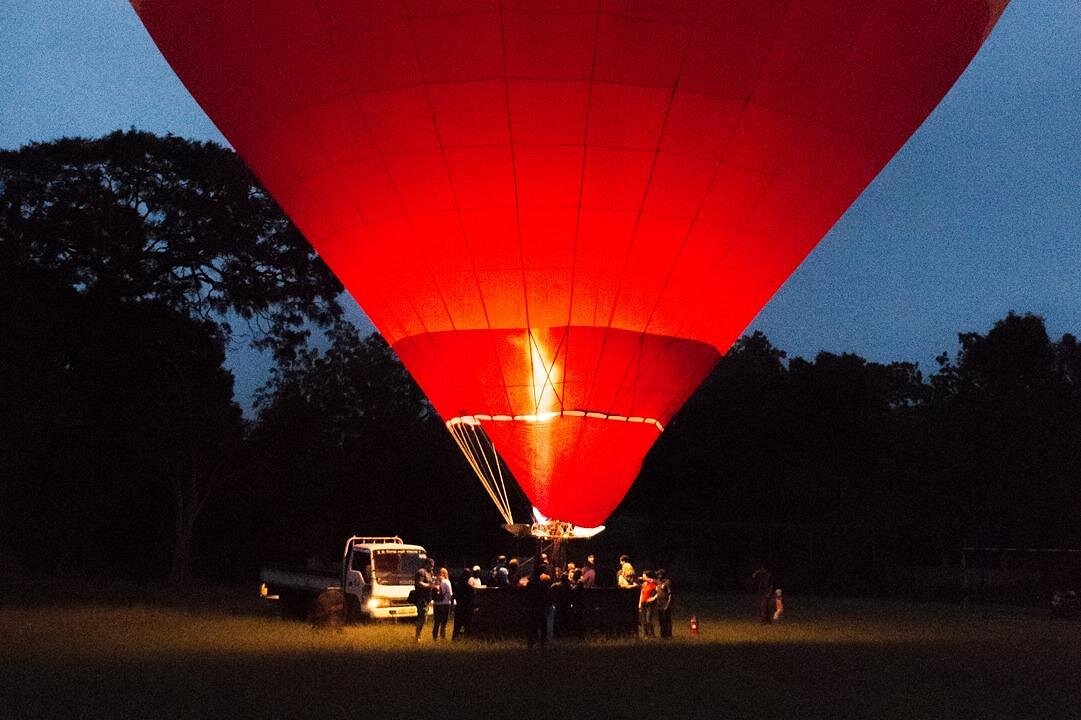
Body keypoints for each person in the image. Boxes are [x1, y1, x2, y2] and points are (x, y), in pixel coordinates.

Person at [413, 556, 435, 642]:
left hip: (427, 598)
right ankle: (417, 637)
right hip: (421, 598)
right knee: (422, 618)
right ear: (426, 564)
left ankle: (418, 635)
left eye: (433, 566)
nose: (432, 567)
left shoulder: (430, 573)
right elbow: (419, 583)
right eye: (431, 565)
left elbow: (431, 582)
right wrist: (429, 585)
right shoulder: (421, 572)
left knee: (424, 618)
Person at [453, 567, 476, 639]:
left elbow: (454, 595)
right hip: (466, 607)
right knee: (467, 625)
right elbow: (473, 593)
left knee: (457, 626)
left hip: (459, 607)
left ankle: (455, 639)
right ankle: (466, 639)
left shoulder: (457, 584)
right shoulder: (468, 587)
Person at [432, 567, 453, 640]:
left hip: (436, 604)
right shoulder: (447, 582)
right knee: (443, 623)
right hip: (445, 604)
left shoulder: (435, 581)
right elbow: (450, 594)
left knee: (436, 622)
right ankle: (442, 638)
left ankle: (435, 638)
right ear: (445, 574)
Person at [638, 570, 658, 637]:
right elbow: (641, 594)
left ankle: (652, 634)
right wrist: (639, 604)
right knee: (643, 620)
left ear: (647, 576)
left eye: (644, 575)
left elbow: (659, 591)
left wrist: (653, 598)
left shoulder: (652, 584)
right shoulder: (643, 584)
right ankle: (645, 635)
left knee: (648, 619)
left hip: (649, 604)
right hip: (643, 604)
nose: (643, 577)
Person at [655, 569, 673, 638]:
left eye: (659, 574)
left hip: (665, 604)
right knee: (661, 620)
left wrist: (668, 605)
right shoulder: (658, 581)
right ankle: (663, 635)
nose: (658, 576)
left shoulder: (667, 582)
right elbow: (651, 580)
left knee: (667, 620)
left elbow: (670, 594)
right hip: (659, 604)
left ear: (662, 575)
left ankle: (668, 635)